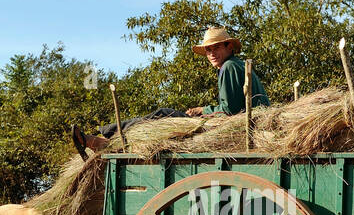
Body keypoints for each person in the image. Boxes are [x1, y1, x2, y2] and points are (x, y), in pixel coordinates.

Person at [71, 26, 268, 156]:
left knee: (163, 114)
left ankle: (108, 138)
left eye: (216, 47)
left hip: (234, 125)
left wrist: (202, 110)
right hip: (241, 122)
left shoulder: (230, 67)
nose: (212, 54)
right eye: (208, 50)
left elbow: (229, 111)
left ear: (229, 46)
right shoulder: (236, 66)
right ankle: (109, 137)